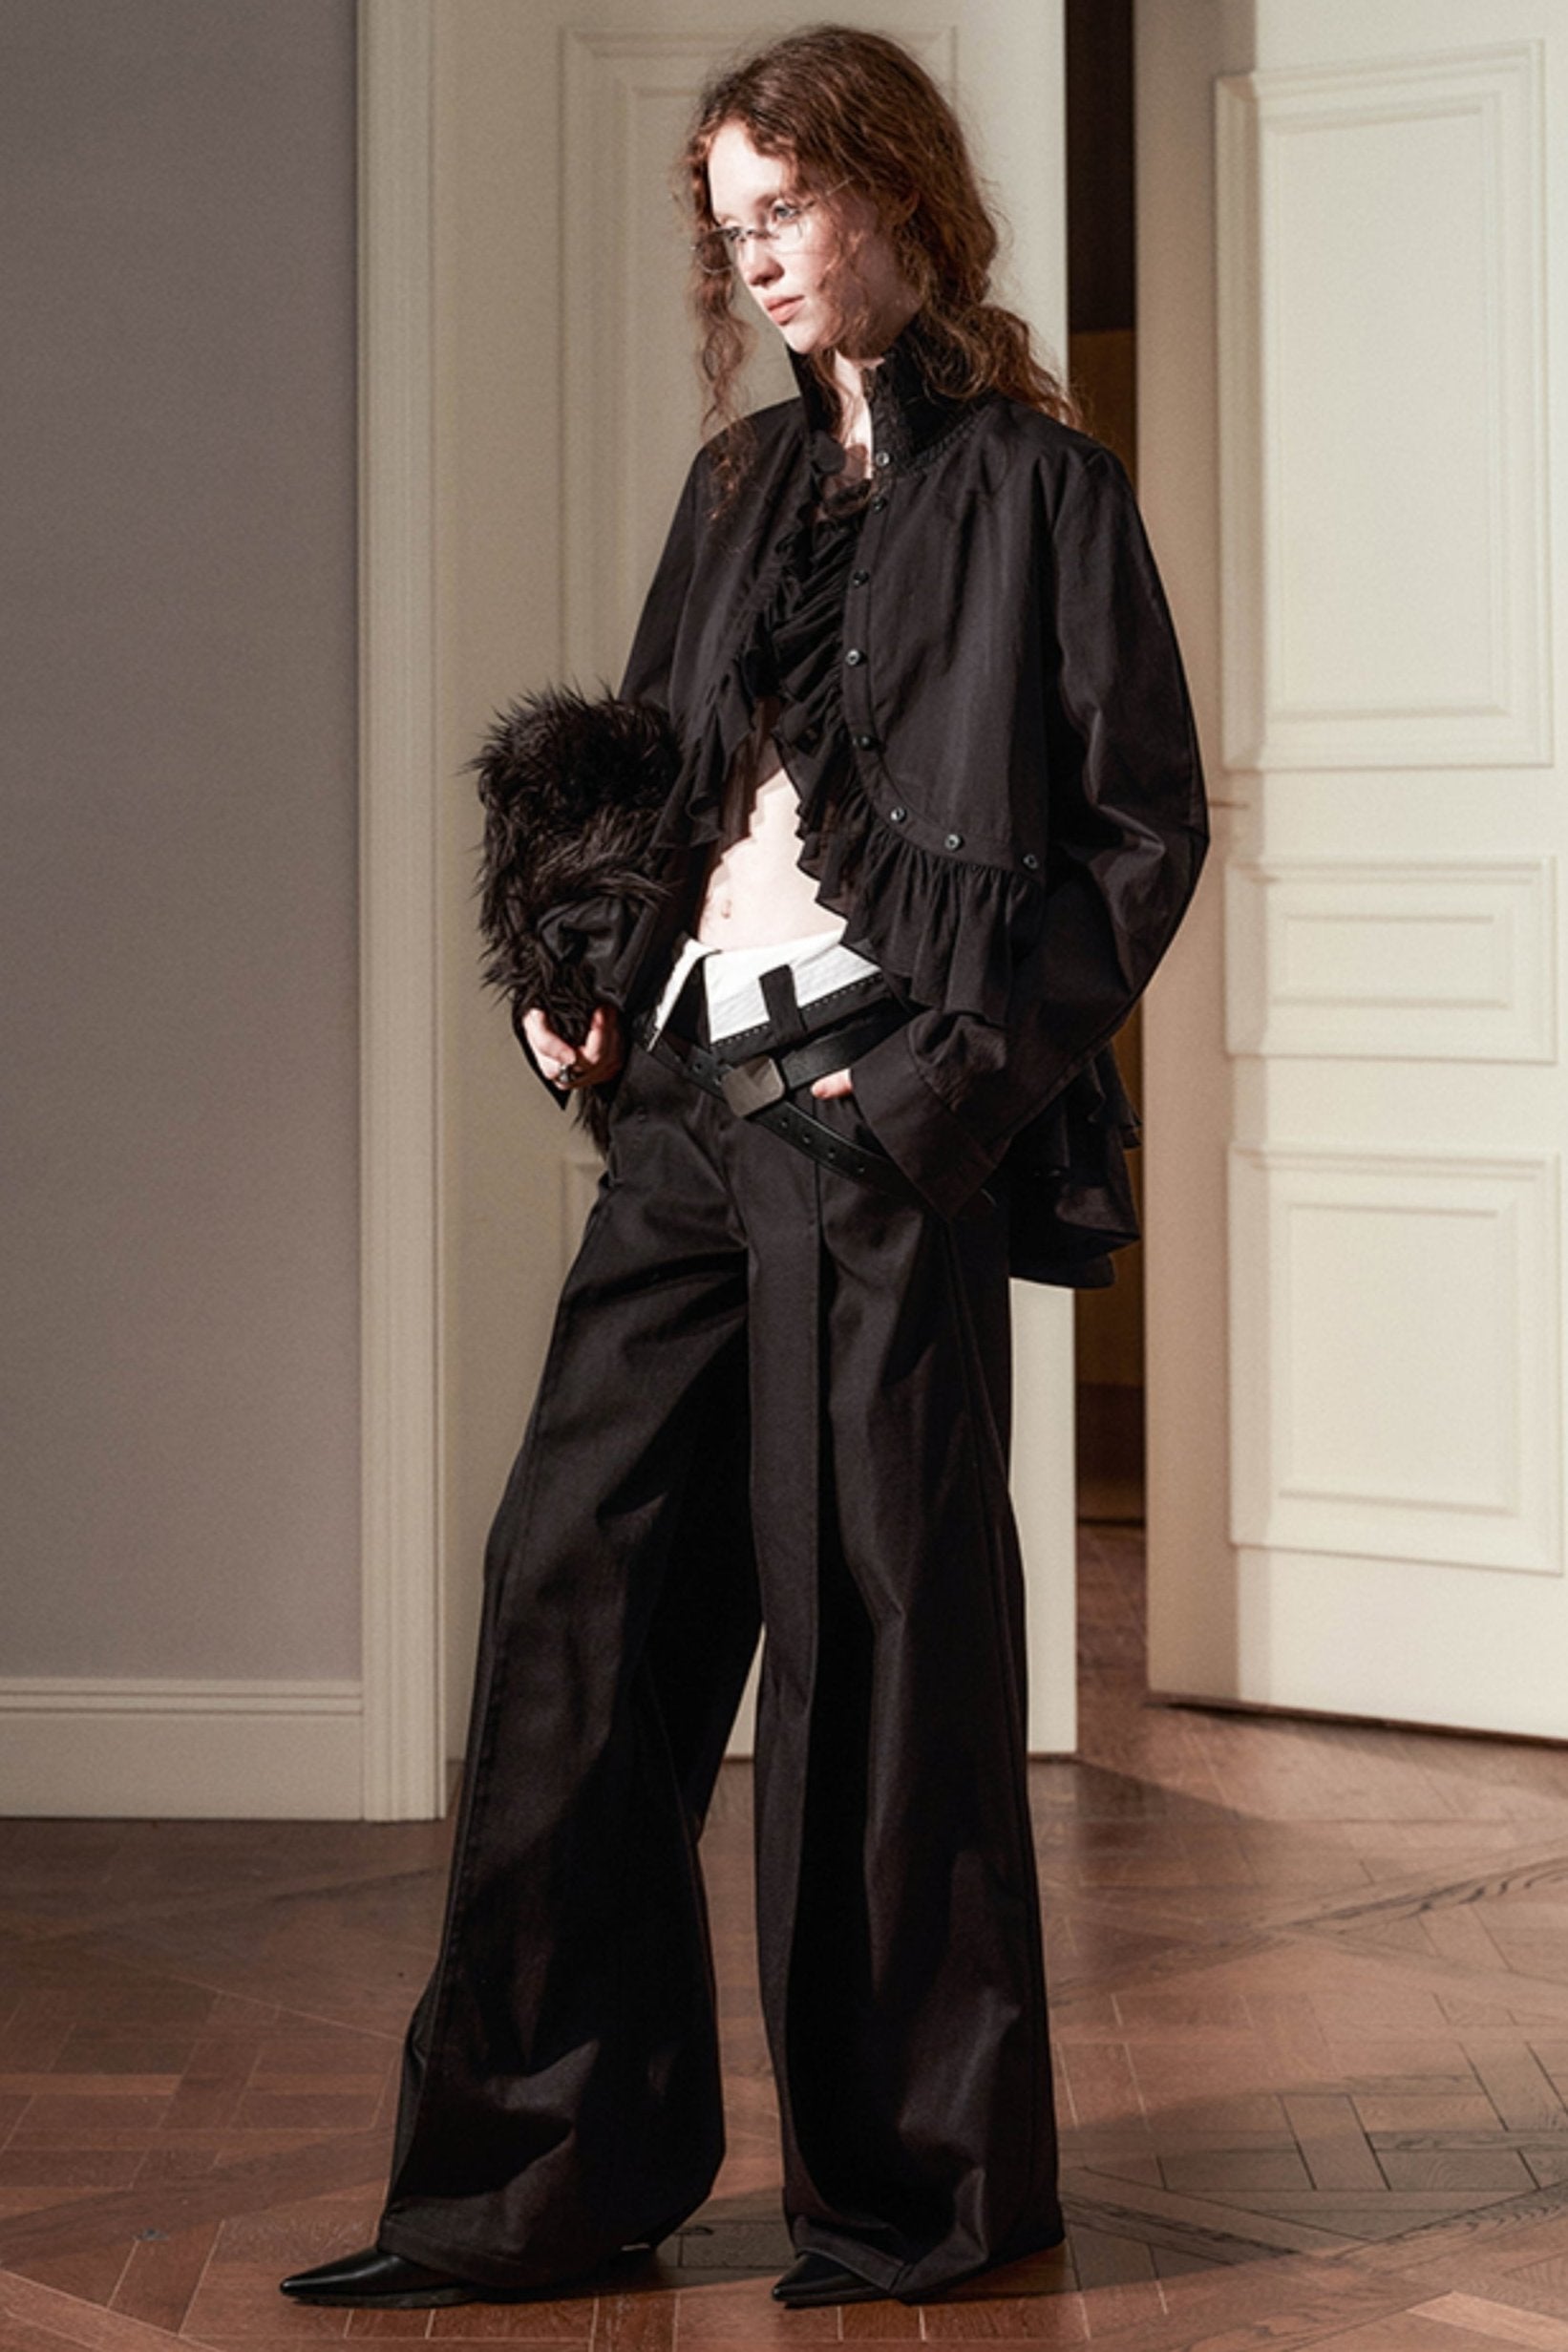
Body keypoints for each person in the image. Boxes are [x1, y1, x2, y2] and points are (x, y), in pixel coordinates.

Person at [280, 22, 1206, 2317]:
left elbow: (1133, 834)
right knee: (567, 1596)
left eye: (786, 207)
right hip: (691, 1108)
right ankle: (530, 2184)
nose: (758, 257)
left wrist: (933, 1091)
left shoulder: (1043, 491)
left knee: (876, 1645)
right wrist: (572, 970)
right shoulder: (732, 492)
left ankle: (911, 2196)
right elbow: (648, 776)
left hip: (883, 1123)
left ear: (896, 192)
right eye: (729, 226)